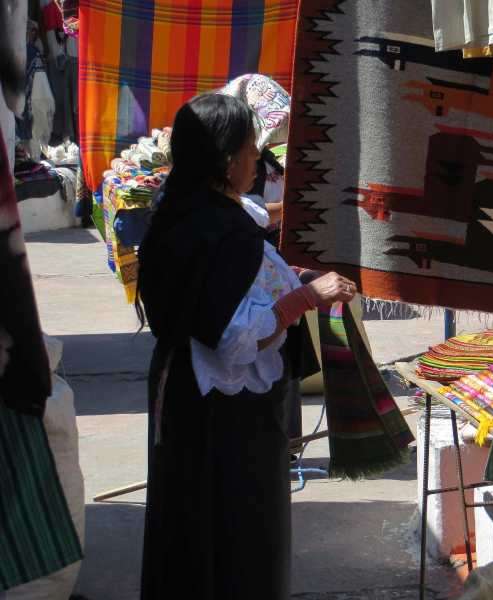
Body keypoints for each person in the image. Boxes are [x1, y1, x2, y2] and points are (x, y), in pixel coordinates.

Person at [135, 93, 356, 599]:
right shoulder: (220, 232)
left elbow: (221, 293)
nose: (258, 158)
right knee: (232, 532)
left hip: (185, 393)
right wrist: (304, 297)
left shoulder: (183, 211)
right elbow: (236, 337)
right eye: (251, 149)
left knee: (188, 523)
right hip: (224, 416)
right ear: (226, 158)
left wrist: (294, 278)